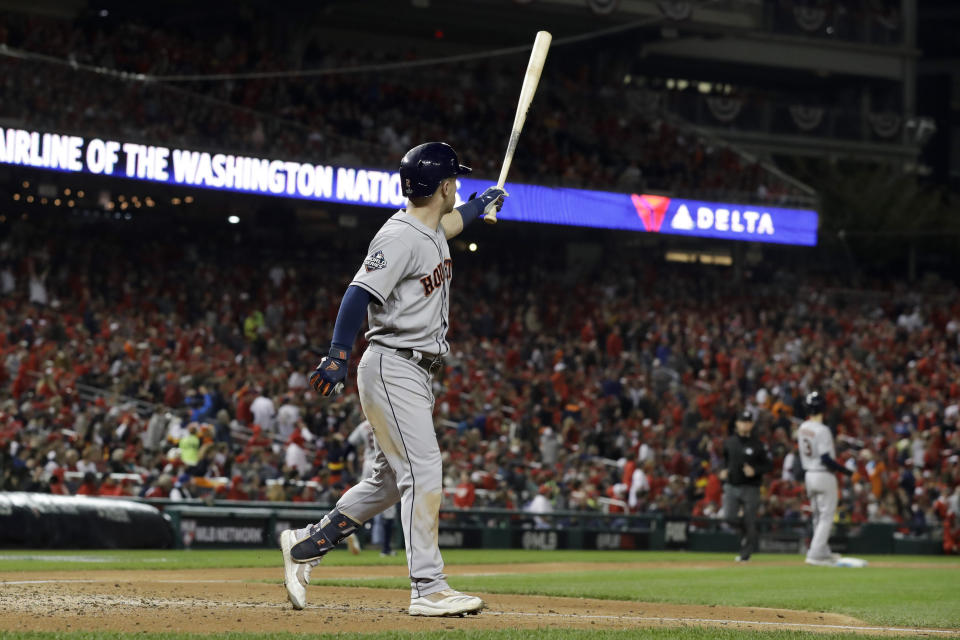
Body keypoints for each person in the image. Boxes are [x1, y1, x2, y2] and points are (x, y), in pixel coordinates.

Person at [279, 142, 506, 616]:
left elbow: (451, 222)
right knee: (424, 472)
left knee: (385, 484)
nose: (457, 187)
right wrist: (337, 355)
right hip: (392, 363)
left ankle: (305, 544)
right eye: (455, 181)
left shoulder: (430, 229)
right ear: (443, 186)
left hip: (412, 370)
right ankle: (428, 587)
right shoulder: (400, 236)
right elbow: (357, 292)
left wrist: (483, 203)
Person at [796, 391, 852, 566]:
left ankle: (822, 550)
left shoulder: (802, 427)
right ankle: (815, 553)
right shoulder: (822, 430)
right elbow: (826, 459)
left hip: (809, 475)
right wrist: (846, 471)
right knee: (827, 516)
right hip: (823, 474)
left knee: (817, 516)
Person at [721, 409, 772, 562]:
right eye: (743, 421)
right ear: (737, 424)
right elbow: (725, 461)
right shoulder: (729, 442)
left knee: (750, 520)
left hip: (751, 487)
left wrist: (755, 470)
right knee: (729, 517)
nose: (745, 424)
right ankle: (745, 534)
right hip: (732, 485)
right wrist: (723, 471)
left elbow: (768, 466)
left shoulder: (758, 445)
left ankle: (746, 553)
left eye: (748, 422)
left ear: (752, 424)